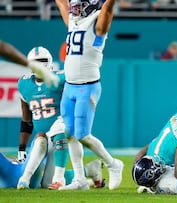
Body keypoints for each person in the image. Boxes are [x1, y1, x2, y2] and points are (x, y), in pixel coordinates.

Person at [0, 46, 103, 189]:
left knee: (50, 180)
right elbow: (26, 120)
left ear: (49, 61)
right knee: (45, 182)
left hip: (60, 136)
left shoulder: (61, 78)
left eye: (43, 60)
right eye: (36, 61)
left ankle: (67, 178)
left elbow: (80, 89)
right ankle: (90, 170)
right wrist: (22, 148)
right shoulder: (24, 83)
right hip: (40, 140)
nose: (40, 64)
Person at [55, 0, 124, 190]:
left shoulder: (98, 22)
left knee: (83, 135)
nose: (74, 9)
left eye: (78, 6)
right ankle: (79, 180)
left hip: (87, 86)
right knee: (69, 133)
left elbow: (108, 8)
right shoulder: (73, 20)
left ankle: (113, 164)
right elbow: (61, 4)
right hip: (70, 86)